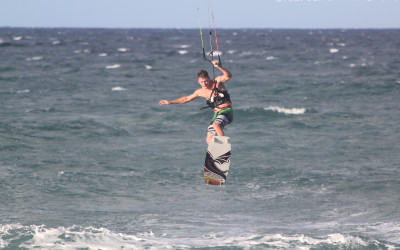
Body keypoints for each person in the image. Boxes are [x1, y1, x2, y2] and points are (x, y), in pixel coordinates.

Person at [159, 60, 233, 144]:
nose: (204, 84)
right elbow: (186, 99)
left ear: (209, 78)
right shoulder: (200, 92)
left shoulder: (217, 82)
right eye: (202, 82)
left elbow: (228, 76)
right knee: (209, 137)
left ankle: (223, 147)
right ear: (198, 81)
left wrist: (218, 66)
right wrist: (170, 102)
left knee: (216, 125)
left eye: (205, 81)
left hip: (226, 112)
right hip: (217, 114)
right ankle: (215, 152)